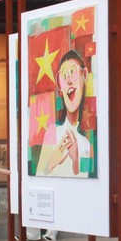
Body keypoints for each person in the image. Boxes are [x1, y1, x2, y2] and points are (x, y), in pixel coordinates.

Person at [36, 50, 93, 178]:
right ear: (60, 91)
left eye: (72, 72)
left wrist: (76, 161)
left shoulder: (86, 144)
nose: (68, 80)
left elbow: (86, 180)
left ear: (84, 75)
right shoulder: (52, 132)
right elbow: (39, 176)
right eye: (63, 76)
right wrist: (52, 161)